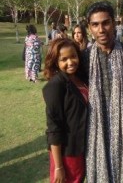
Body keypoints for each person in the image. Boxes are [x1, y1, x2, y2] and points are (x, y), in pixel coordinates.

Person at [84, 1, 123, 182]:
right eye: (95, 25)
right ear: (90, 28)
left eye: (106, 23)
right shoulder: (85, 58)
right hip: (98, 129)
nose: (101, 29)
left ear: (114, 23)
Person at [42, 38, 88, 183]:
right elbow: (54, 127)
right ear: (56, 62)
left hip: (81, 148)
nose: (70, 62)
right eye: (64, 59)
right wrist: (58, 166)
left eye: (73, 56)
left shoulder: (80, 78)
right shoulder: (55, 86)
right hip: (67, 153)